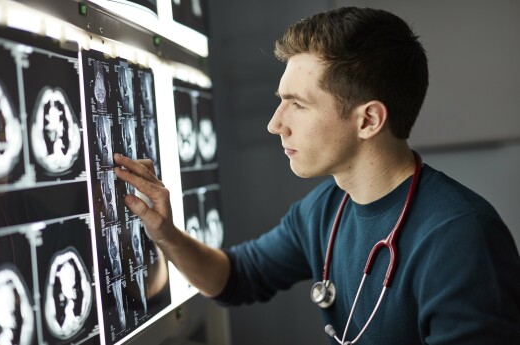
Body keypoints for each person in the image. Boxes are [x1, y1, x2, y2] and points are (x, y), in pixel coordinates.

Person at [113, 7, 520, 345]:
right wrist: (165, 232)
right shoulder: (328, 208)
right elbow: (233, 278)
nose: (275, 124)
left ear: (369, 120)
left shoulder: (461, 238)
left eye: (297, 104)